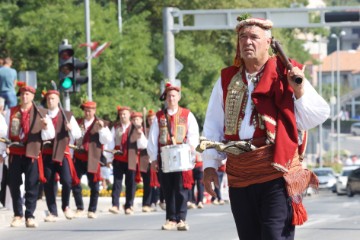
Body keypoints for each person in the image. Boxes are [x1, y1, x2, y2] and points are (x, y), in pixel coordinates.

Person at [201, 17, 330, 240]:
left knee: (273, 236)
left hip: (275, 171)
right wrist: (210, 166)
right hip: (239, 173)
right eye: (243, 37)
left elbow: (317, 114)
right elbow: (213, 126)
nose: (247, 42)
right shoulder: (227, 79)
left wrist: (297, 90)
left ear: (269, 43)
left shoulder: (287, 73)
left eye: (254, 37)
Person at [148, 82, 200, 231]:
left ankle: (181, 219)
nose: (171, 98)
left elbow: (193, 133)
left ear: (178, 97)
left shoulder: (187, 114)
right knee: (167, 188)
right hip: (164, 157)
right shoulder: (159, 116)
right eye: (169, 96)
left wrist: (191, 147)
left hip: (181, 156)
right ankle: (170, 219)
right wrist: (153, 158)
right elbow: (153, 137)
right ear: (165, 98)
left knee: (181, 188)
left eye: (174, 95)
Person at [5, 83, 55, 228]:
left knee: (31, 185)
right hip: (15, 152)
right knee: (14, 184)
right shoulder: (12, 111)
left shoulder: (41, 112)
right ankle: (17, 214)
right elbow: (4, 132)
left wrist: (45, 126)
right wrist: (5, 148)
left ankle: (30, 215)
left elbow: (49, 135)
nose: (24, 97)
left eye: (27, 94)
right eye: (22, 94)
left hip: (32, 152)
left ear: (33, 96)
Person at [41, 90, 82, 222]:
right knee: (48, 183)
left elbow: (77, 135)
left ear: (58, 100)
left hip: (62, 153)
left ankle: (66, 206)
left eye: (53, 98)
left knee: (67, 180)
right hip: (47, 153)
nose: (50, 101)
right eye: (48, 99)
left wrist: (71, 128)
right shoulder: (43, 115)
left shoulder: (67, 115)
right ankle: (52, 211)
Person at [72, 101, 112, 219]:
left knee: (94, 185)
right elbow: (73, 137)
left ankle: (92, 210)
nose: (87, 112)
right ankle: (79, 207)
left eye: (89, 110)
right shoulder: (79, 123)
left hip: (93, 157)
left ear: (94, 111)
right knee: (75, 182)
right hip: (79, 157)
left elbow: (107, 140)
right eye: (85, 110)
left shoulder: (100, 123)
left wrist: (101, 129)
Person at [108, 107, 147, 215]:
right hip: (118, 159)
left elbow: (143, 145)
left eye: (124, 114)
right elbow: (111, 143)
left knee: (131, 184)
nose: (122, 116)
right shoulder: (116, 128)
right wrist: (109, 158)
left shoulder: (135, 128)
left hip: (131, 159)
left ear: (129, 115)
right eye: (121, 114)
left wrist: (139, 134)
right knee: (117, 183)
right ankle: (115, 205)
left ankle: (129, 206)